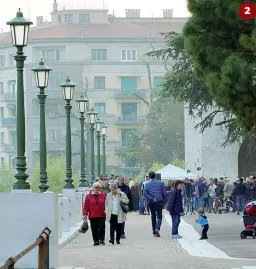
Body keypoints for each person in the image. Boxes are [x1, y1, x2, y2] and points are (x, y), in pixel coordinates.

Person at [105, 179, 129, 245]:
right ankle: (112, 239)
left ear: (116, 188)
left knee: (119, 228)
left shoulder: (121, 194)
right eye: (111, 190)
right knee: (112, 227)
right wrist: (106, 212)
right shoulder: (109, 195)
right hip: (112, 213)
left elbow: (127, 201)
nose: (112, 191)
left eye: (113, 189)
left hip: (119, 213)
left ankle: (118, 240)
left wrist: (122, 200)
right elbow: (106, 204)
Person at [144, 171, 167, 237]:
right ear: (155, 176)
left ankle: (154, 231)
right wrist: (164, 202)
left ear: (149, 176)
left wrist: (151, 198)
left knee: (153, 216)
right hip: (159, 202)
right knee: (159, 216)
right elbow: (165, 193)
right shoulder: (161, 183)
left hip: (151, 203)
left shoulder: (147, 184)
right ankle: (157, 228)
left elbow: (145, 193)